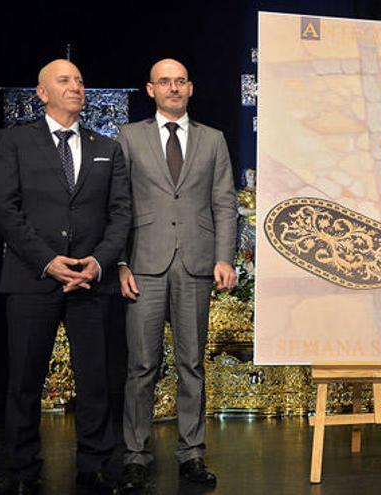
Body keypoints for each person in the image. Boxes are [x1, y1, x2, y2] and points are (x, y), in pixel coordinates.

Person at [0, 59, 131, 494]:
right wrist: (48, 260)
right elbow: (2, 207)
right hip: (33, 278)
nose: (76, 87)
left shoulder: (107, 145)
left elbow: (121, 213)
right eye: (65, 80)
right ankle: (22, 469)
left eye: (81, 81)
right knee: (25, 381)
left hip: (91, 280)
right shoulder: (14, 141)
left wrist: (98, 262)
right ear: (42, 93)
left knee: (97, 380)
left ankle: (96, 464)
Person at [116, 58, 237, 491]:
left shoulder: (213, 139)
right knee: (142, 365)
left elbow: (224, 202)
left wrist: (224, 257)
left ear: (191, 88)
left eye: (180, 81)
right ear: (150, 90)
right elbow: (119, 205)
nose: (173, 87)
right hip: (144, 265)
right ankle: (135, 454)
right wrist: (121, 262)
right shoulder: (129, 138)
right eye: (165, 82)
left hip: (197, 263)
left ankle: (192, 454)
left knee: (191, 363)